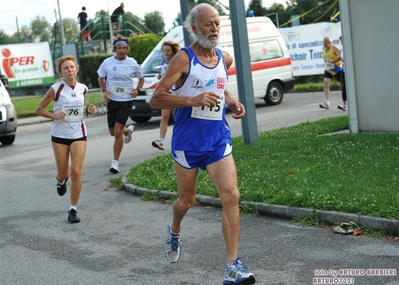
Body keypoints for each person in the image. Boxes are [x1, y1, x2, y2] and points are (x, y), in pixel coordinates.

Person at [150, 3, 256, 285]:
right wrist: (191, 100)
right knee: (187, 200)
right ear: (194, 27)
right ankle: (174, 231)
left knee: (231, 195)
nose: (214, 29)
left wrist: (232, 103)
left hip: (217, 140)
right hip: (187, 143)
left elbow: (219, 87)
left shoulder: (225, 58)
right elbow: (156, 98)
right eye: (208, 24)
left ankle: (232, 266)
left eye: (217, 24)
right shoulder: (183, 60)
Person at [35, 55, 97, 223]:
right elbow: (39, 109)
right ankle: (60, 181)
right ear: (61, 72)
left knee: (76, 172)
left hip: (79, 134)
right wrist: (55, 115)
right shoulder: (56, 89)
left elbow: (78, 109)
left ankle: (73, 209)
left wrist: (88, 111)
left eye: (72, 67)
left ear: (76, 69)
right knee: (63, 174)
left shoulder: (83, 88)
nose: (69, 70)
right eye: (65, 68)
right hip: (59, 136)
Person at [97, 35, 144, 174]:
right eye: (119, 48)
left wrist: (138, 89)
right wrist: (105, 90)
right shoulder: (107, 63)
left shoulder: (132, 63)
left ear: (127, 49)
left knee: (117, 131)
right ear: (114, 49)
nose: (122, 51)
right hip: (112, 101)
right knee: (113, 132)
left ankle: (115, 163)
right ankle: (128, 131)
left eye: (124, 48)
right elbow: (101, 77)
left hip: (126, 101)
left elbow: (141, 78)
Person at [152, 40, 180, 150]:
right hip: (166, 93)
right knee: (164, 117)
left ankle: (181, 138)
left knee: (180, 116)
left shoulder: (176, 62)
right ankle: (161, 141)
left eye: (168, 50)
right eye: (164, 50)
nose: (166, 52)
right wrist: (161, 76)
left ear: (173, 52)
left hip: (176, 92)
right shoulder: (163, 62)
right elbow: (165, 76)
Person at [320, 36, 342, 109]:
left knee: (342, 84)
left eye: (326, 42)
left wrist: (333, 61)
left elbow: (341, 57)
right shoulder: (323, 49)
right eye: (323, 42)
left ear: (330, 42)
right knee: (326, 83)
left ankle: (346, 100)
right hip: (328, 69)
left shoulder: (334, 48)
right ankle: (327, 102)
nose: (324, 44)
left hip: (337, 69)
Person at [338, 36, 347, 111]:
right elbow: (341, 59)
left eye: (342, 40)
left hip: (349, 70)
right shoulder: (342, 50)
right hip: (343, 69)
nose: (341, 42)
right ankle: (344, 104)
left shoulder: (348, 48)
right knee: (343, 86)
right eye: (340, 41)